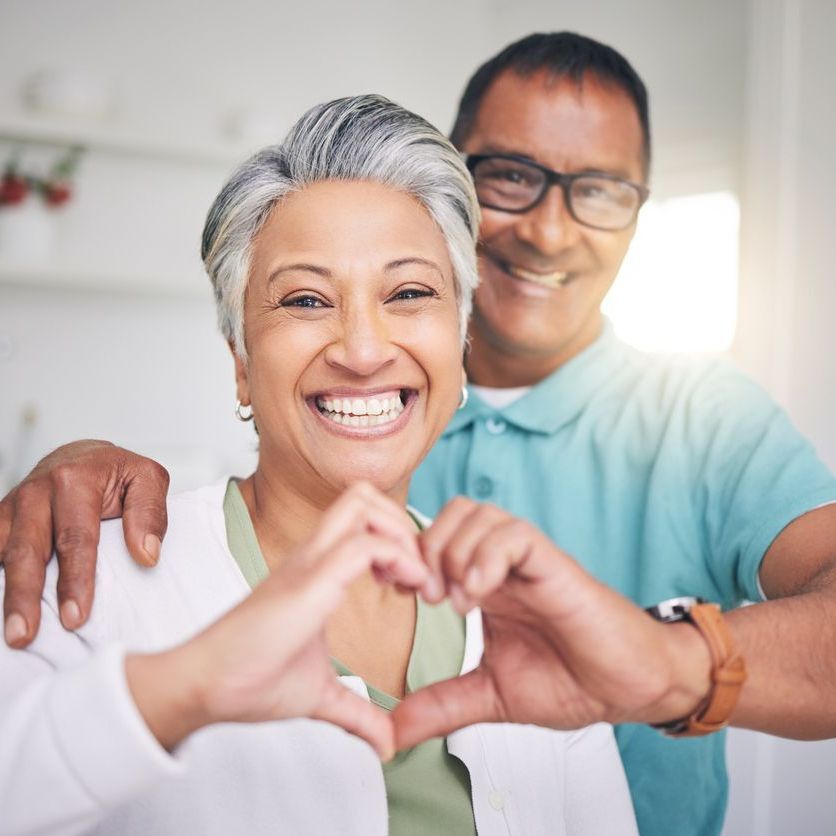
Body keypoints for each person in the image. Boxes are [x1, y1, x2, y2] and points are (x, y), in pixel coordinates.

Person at [3, 31, 836, 836]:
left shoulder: (671, 457)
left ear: (456, 335)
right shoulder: (92, 581)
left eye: (408, 294)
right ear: (239, 362)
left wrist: (658, 665)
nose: (364, 350)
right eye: (303, 299)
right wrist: (177, 683)